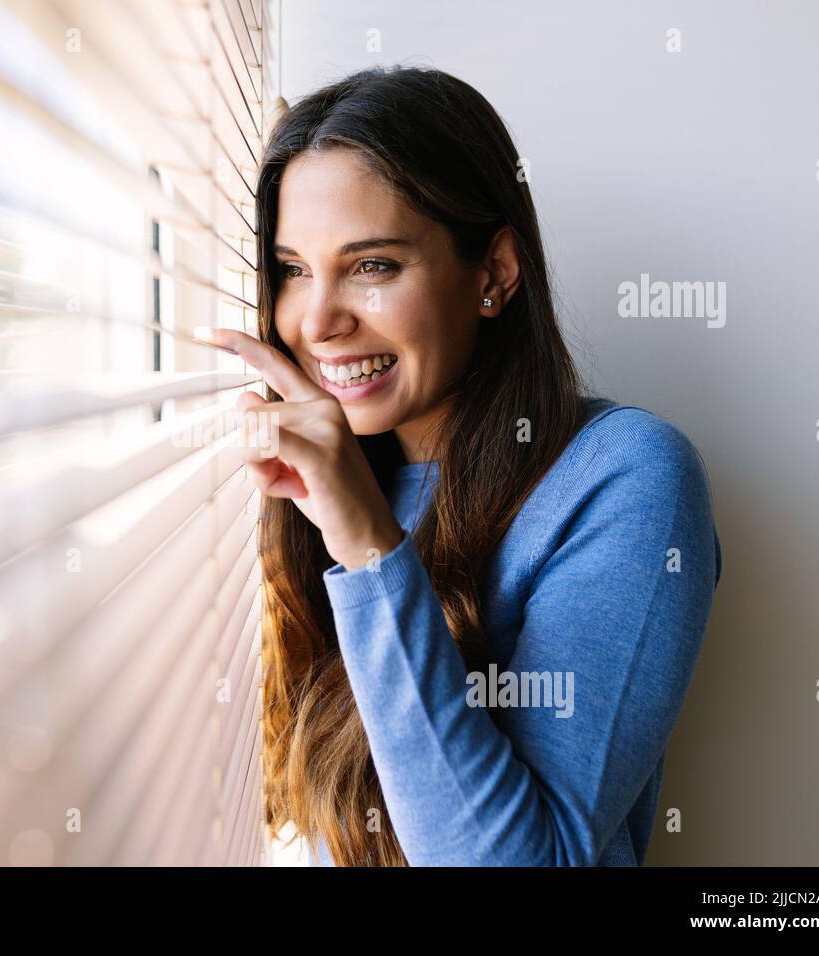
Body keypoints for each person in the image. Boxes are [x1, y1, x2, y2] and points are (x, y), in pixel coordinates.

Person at [193, 65, 722, 866]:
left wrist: (370, 548)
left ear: (494, 274)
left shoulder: (625, 476)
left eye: (372, 265)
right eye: (294, 269)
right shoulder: (309, 488)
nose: (318, 321)